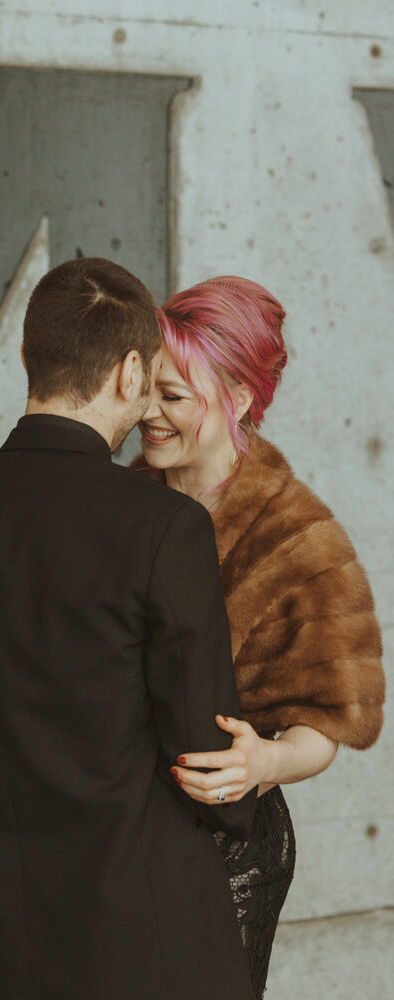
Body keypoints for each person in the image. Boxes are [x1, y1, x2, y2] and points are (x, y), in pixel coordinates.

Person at [0, 257, 257, 1000]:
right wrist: (246, 799)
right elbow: (205, 753)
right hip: (142, 938)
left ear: (29, 359)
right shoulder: (164, 528)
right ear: (129, 372)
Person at [132, 275, 385, 998]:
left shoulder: (297, 539)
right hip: (117, 840)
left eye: (172, 396)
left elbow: (329, 724)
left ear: (238, 398)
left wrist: (265, 761)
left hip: (229, 851)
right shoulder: (119, 502)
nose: (148, 413)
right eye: (145, 389)